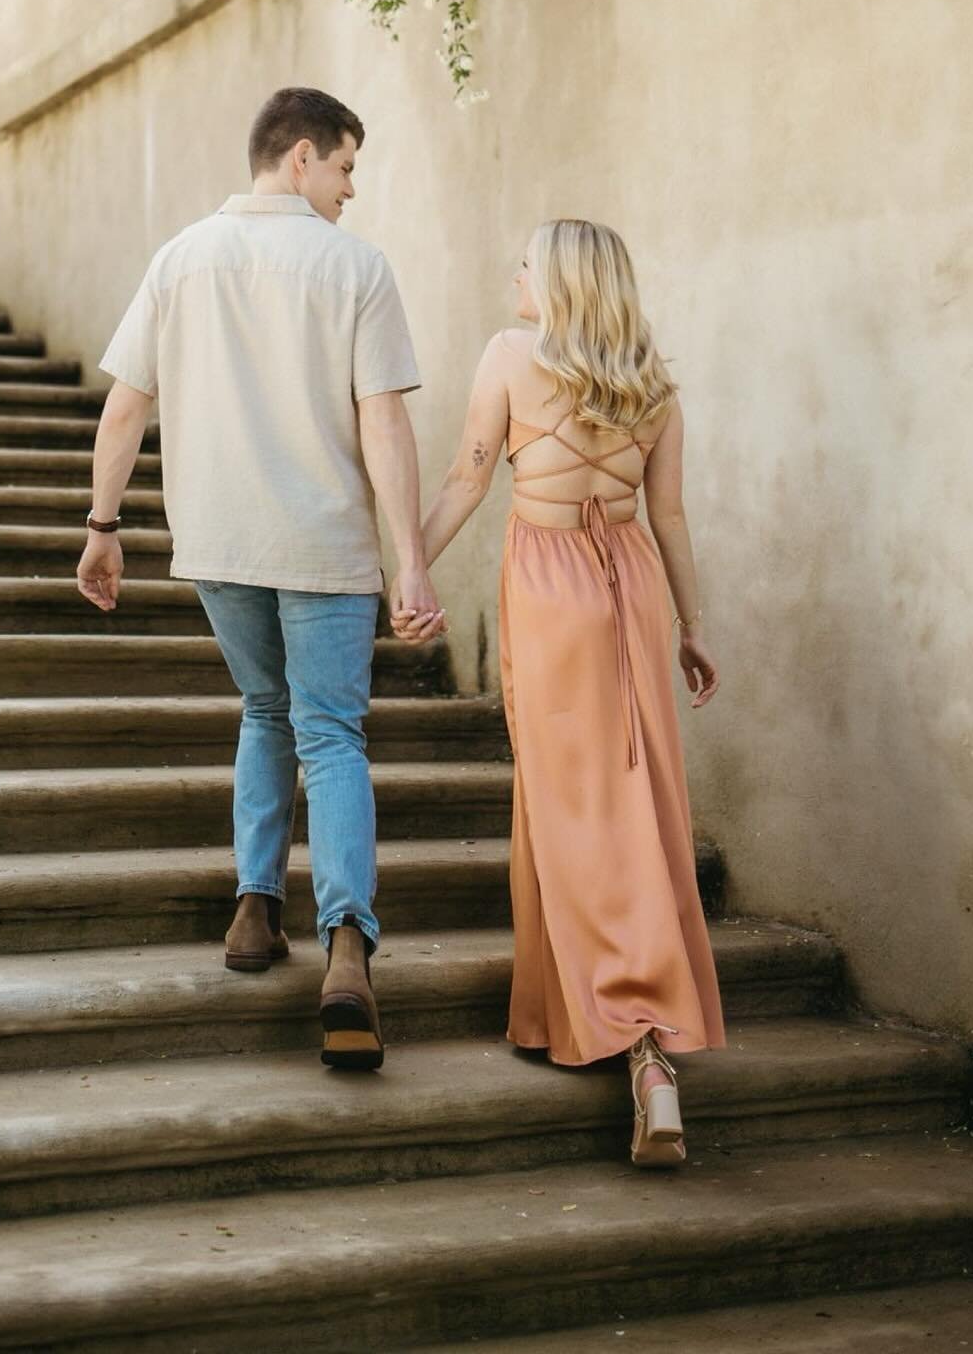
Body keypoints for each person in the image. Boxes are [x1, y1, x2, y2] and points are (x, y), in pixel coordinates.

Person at [76, 86, 445, 1071]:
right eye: (346, 167)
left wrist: (103, 526)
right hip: (323, 545)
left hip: (219, 541)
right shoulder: (355, 268)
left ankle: (251, 909)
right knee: (329, 733)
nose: (351, 190)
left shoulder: (181, 258)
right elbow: (385, 425)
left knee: (262, 708)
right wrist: (409, 559)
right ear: (300, 158)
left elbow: (124, 411)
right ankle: (348, 949)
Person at [417, 218, 724, 1165]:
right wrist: (692, 627)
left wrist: (404, 573)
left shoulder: (511, 355)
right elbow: (667, 514)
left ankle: (637, 1040)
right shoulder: (655, 385)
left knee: (567, 805)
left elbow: (470, 480)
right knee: (634, 798)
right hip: (628, 584)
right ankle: (589, 1024)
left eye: (526, 261)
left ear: (557, 280)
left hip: (550, 590)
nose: (514, 273)